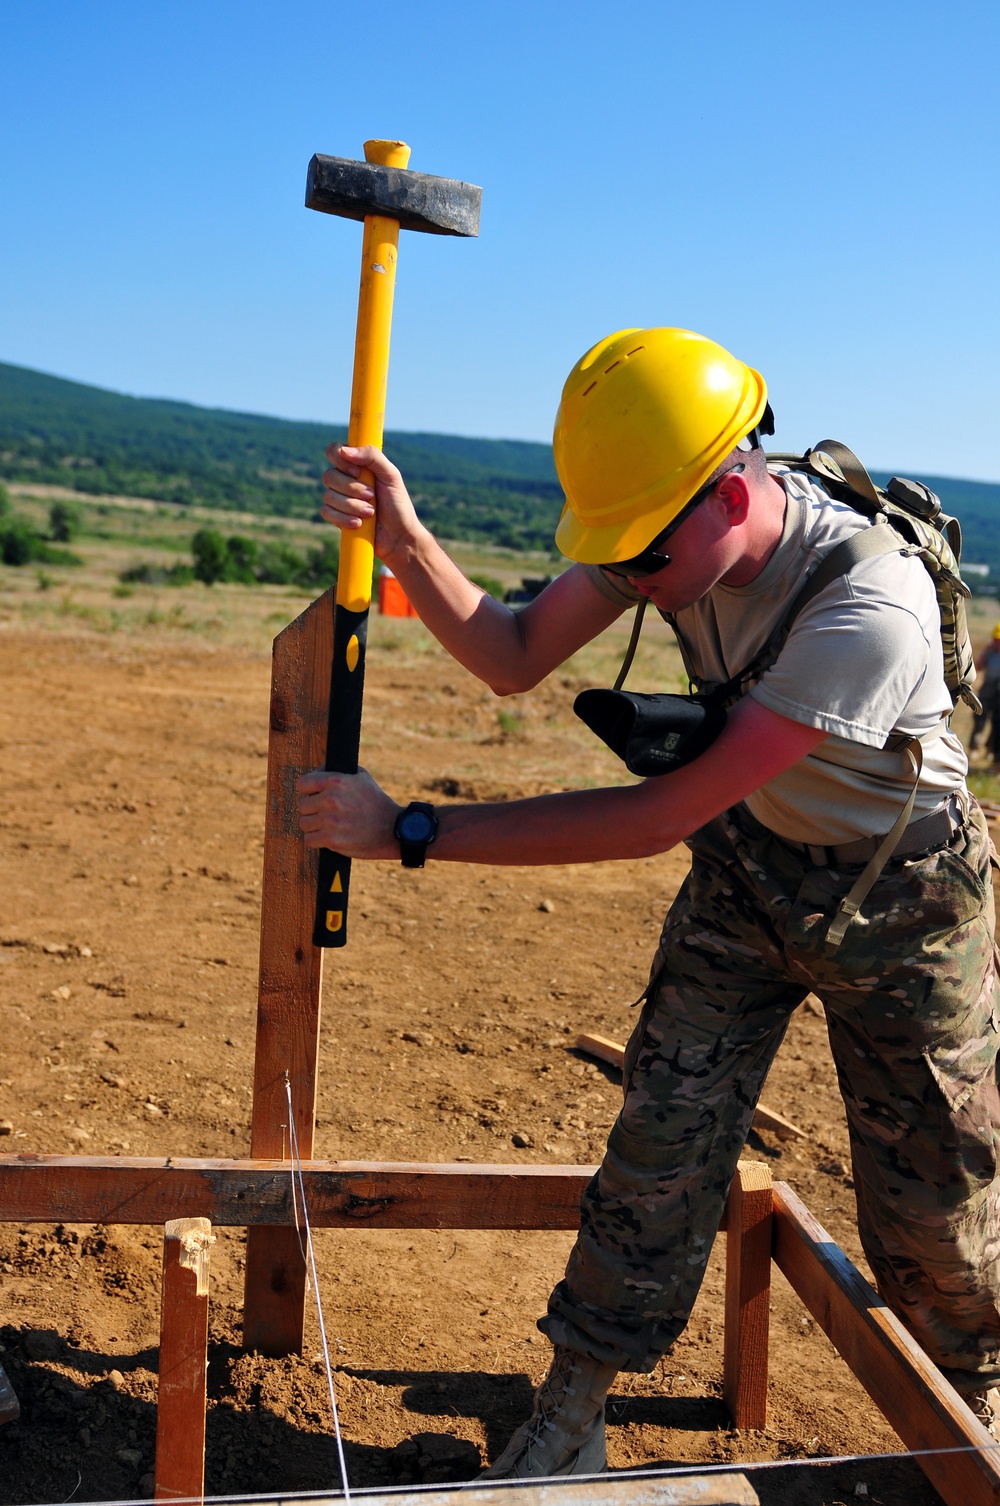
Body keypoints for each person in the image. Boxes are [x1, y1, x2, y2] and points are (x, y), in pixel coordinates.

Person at [299, 328, 1000, 1473]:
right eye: (612, 557)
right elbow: (515, 650)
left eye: (640, 562)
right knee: (659, 1146)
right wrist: (405, 531)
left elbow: (650, 818)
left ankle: (966, 1439)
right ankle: (568, 1419)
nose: (624, 580)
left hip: (903, 906)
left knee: (937, 1206)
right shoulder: (661, 528)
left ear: (731, 494)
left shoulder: (866, 605)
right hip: (750, 873)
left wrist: (411, 831)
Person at [971, 623, 1000, 767]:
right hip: (987, 688)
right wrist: (983, 654)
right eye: (995, 639)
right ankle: (974, 747)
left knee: (997, 723)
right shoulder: (990, 652)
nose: (997, 642)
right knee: (979, 718)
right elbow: (978, 667)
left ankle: (991, 750)